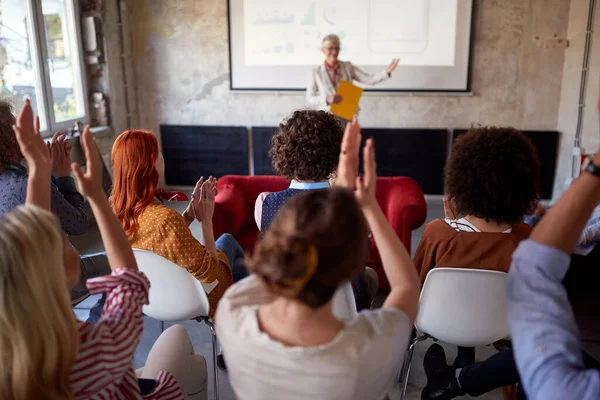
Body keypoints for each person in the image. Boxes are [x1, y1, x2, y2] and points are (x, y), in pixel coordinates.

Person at [3, 98, 206, 399]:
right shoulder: (93, 349)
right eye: (59, 238)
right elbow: (128, 276)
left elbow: (32, 239)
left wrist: (38, 170)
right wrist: (95, 194)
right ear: (66, 270)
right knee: (182, 346)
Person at [216, 119, 420, 400]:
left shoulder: (230, 312)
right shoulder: (366, 352)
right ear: (352, 259)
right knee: (370, 279)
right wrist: (367, 204)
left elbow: (258, 281)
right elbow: (407, 287)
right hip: (350, 296)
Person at [414, 126, 540, 385]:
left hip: (437, 323)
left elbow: (415, 284)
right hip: (502, 328)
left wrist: (453, 225)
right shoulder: (528, 238)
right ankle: (467, 364)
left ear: (460, 181)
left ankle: (458, 358)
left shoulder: (439, 233)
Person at [506, 91, 600, 400]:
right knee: (531, 223)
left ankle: (457, 379)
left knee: (527, 233)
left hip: (579, 254)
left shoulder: (563, 390)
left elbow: (532, 269)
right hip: (569, 241)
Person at [109, 129, 247, 318]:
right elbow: (213, 276)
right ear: (148, 165)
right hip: (196, 299)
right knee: (228, 242)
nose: (162, 157)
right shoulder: (165, 219)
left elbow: (158, 242)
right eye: (158, 153)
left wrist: (189, 215)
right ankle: (241, 318)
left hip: (154, 298)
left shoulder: (116, 211)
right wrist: (206, 221)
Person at [255, 110, 378, 310]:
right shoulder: (353, 207)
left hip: (288, 304)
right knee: (369, 275)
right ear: (335, 154)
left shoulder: (264, 203)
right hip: (344, 307)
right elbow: (360, 258)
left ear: (284, 152)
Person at [0, 99, 110, 316]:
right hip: (53, 280)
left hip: (15, 288)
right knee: (127, 265)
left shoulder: (14, 179)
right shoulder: (26, 183)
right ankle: (96, 327)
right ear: (9, 140)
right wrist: (63, 176)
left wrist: (47, 173)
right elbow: (77, 224)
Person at [306, 34, 399, 110]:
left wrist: (387, 72)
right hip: (326, 117)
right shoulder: (316, 72)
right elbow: (310, 98)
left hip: (346, 114)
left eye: (337, 48)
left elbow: (369, 79)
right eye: (330, 48)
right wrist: (326, 99)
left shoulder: (348, 67)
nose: (334, 52)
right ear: (323, 50)